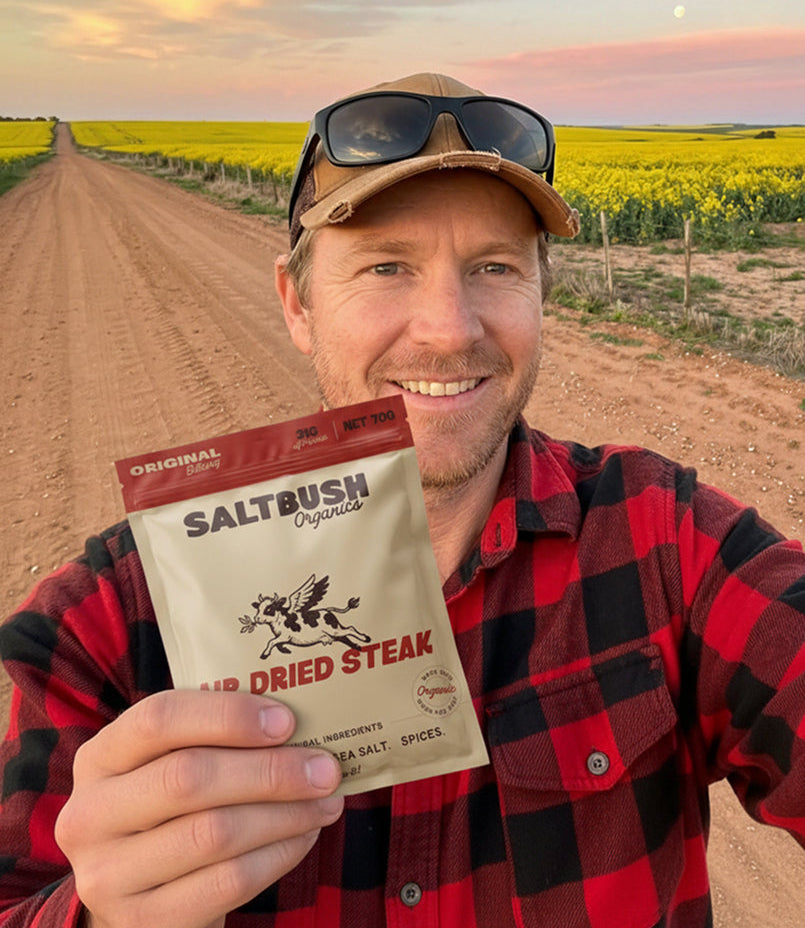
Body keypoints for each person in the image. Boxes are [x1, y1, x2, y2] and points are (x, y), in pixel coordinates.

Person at [0, 71, 803, 928]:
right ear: (297, 304)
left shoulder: (665, 544)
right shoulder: (104, 626)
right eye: (386, 265)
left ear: (542, 294)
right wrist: (96, 914)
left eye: (494, 266)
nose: (449, 328)